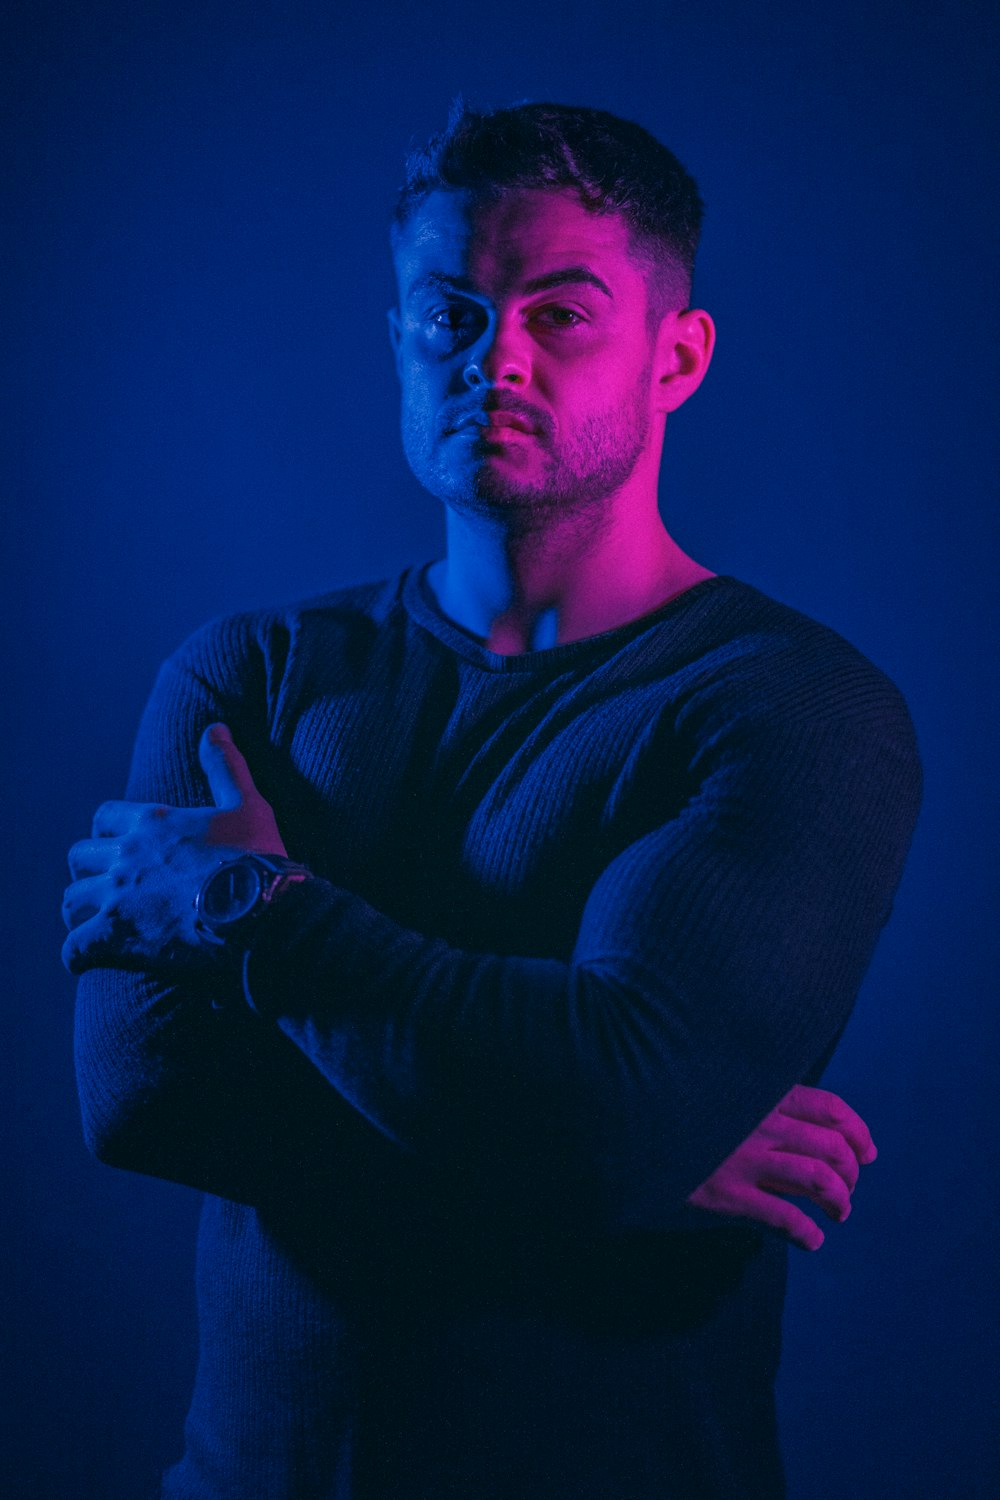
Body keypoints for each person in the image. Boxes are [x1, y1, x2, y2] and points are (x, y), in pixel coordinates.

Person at [63, 101, 922, 1499]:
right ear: (399, 333)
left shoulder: (792, 708)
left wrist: (248, 904)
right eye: (447, 315)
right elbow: (143, 1099)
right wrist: (615, 1158)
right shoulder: (249, 675)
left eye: (560, 314)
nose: (495, 359)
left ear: (676, 357)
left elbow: (613, 1117)